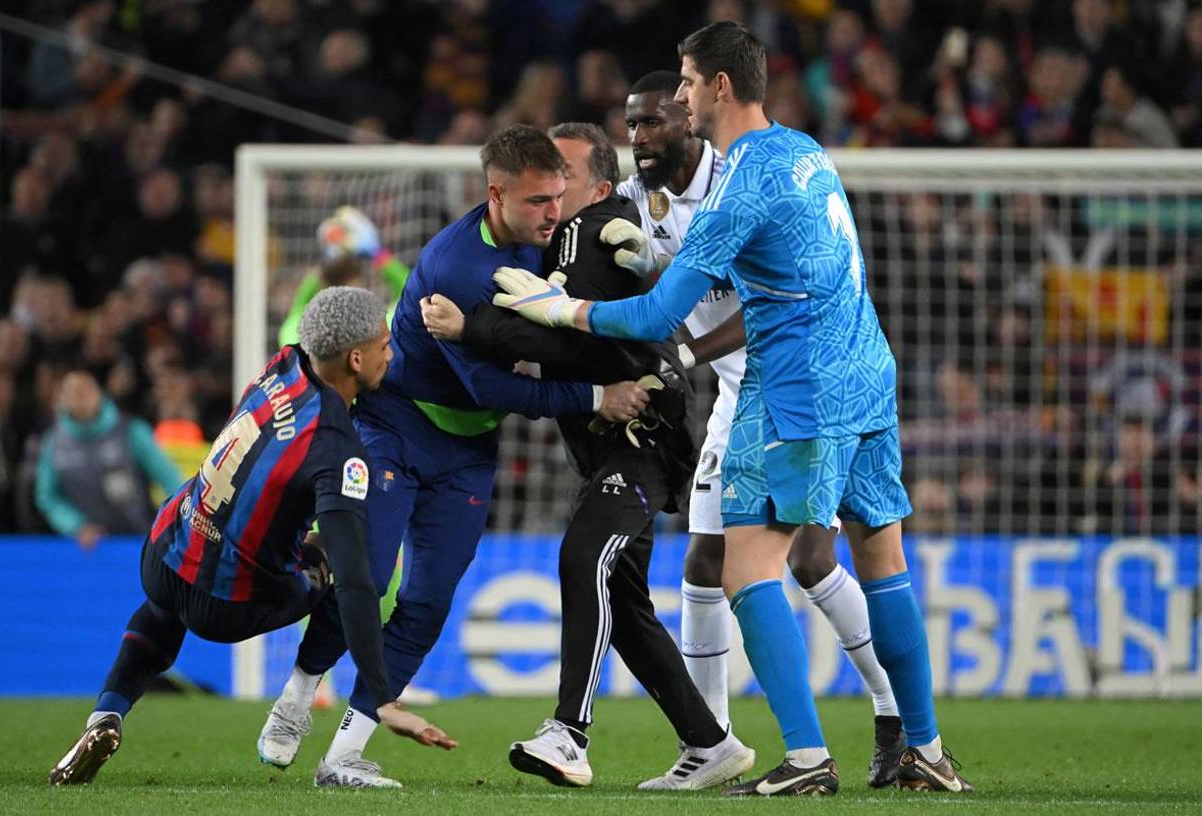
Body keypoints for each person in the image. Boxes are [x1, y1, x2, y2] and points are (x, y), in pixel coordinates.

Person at [493, 22, 971, 795]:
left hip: (795, 393)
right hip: (868, 377)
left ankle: (808, 759)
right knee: (883, 565)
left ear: (718, 87)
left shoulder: (738, 185)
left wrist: (560, 308)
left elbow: (652, 321)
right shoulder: (804, 151)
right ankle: (925, 747)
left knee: (745, 570)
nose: (678, 95)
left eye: (684, 81)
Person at [256, 125, 651, 788]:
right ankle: (298, 693)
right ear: (495, 195)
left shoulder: (557, 243)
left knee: (430, 600)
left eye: (558, 197)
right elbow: (489, 385)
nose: (554, 214)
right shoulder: (456, 267)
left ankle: (345, 753)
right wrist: (593, 396)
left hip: (469, 450)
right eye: (537, 203)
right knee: (370, 574)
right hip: (399, 424)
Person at [421, 122, 753, 790]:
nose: (551, 185)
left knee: (581, 556)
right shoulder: (586, 236)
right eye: (542, 176)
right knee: (626, 607)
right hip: (619, 440)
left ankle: (568, 733)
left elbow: (567, 343)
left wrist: (473, 326)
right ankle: (710, 743)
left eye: (563, 174)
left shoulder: (585, 231)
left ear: (598, 186)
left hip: (641, 436)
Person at [613, 69, 905, 789]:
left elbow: (765, 298)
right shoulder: (634, 203)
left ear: (691, 114)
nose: (641, 136)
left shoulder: (739, 180)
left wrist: (682, 347)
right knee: (706, 564)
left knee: (807, 560)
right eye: (631, 126)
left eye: (655, 118)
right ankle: (711, 742)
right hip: (739, 396)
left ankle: (887, 711)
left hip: (789, 383)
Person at [49, 288, 453, 787]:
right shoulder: (337, 450)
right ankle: (296, 704)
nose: (391, 355)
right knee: (357, 560)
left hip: (165, 550)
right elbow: (354, 581)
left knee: (159, 616)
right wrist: (383, 696)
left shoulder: (282, 364)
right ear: (355, 357)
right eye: (385, 345)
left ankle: (105, 718)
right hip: (227, 602)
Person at [36, 369, 184, 549]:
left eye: (84, 390)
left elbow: (169, 477)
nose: (79, 397)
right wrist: (76, 526)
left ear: (98, 392)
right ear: (61, 399)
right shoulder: (53, 443)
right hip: (87, 547)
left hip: (139, 538)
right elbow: (48, 496)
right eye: (71, 392)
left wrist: (180, 521)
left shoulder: (132, 431)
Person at [278, 205, 411, 346]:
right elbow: (411, 292)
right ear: (363, 286)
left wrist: (328, 264)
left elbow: (298, 310)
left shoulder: (303, 334)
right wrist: (377, 254)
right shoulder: (381, 330)